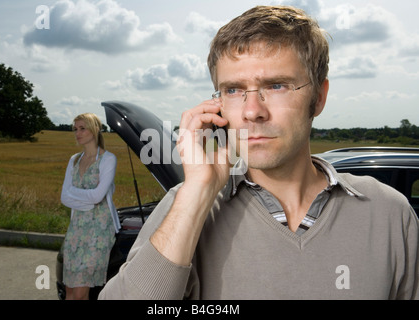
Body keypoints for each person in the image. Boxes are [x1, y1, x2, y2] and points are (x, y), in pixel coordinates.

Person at [99, 6, 418, 300]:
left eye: (277, 85)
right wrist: (196, 194)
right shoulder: (188, 207)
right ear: (218, 103)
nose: (252, 112)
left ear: (319, 98)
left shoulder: (390, 213)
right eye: (234, 90)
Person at [61, 113, 120, 300]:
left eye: (82, 128)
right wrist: (85, 201)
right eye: (75, 129)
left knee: (80, 292)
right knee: (69, 290)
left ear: (94, 130)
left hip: (99, 229)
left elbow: (97, 196)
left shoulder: (108, 159)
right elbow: (64, 196)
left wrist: (75, 194)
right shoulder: (74, 160)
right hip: (76, 227)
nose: (77, 133)